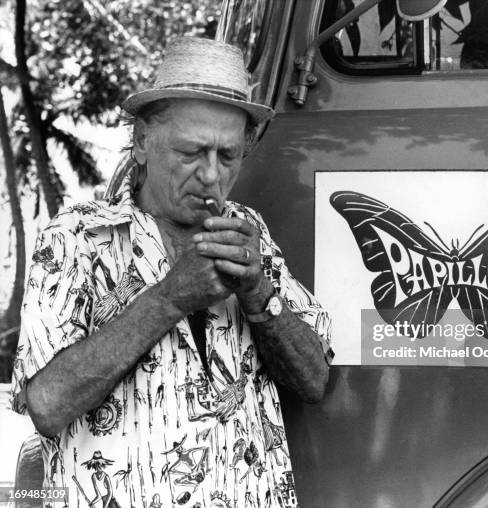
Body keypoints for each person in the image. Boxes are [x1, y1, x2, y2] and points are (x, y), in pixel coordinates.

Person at [10, 37, 333, 508]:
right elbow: (47, 405)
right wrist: (168, 298)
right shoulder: (76, 238)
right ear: (142, 141)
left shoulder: (249, 231)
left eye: (227, 157)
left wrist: (258, 291)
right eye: (191, 153)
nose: (210, 176)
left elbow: (314, 380)